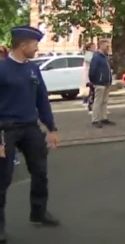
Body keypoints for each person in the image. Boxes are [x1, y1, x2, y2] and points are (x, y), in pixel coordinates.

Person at [0, 26, 61, 242]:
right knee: (2, 178)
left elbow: (42, 99)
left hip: (30, 127)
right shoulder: (2, 69)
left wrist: (51, 128)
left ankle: (38, 212)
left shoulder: (33, 69)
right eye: (35, 44)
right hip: (5, 129)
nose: (37, 48)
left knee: (40, 172)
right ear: (23, 45)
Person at [89, 40, 115, 128]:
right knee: (98, 101)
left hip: (106, 82)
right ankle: (95, 119)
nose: (108, 48)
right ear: (101, 46)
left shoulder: (104, 57)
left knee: (104, 101)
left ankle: (104, 117)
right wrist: (94, 81)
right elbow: (92, 70)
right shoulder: (97, 56)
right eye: (106, 46)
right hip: (99, 82)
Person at [81, 43, 96, 114]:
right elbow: (93, 62)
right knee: (91, 92)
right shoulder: (88, 55)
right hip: (89, 76)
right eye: (93, 47)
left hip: (91, 75)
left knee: (92, 92)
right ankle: (90, 107)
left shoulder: (91, 54)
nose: (95, 48)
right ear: (89, 48)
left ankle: (92, 107)